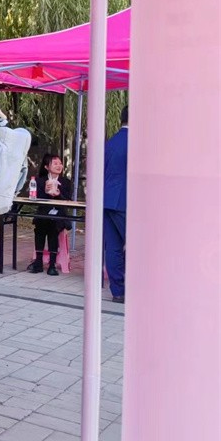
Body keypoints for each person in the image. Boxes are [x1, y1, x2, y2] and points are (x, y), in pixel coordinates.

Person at [26, 153, 73, 276]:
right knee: (40, 226)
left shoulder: (66, 182)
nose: (59, 166)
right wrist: (46, 192)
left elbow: (69, 200)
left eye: (60, 163)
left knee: (53, 226)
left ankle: (52, 264)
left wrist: (58, 194)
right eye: (55, 163)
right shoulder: (39, 181)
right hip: (43, 214)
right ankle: (38, 262)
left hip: (59, 214)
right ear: (47, 167)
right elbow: (34, 198)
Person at [104, 105, 128, 304]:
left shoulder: (110, 142)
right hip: (124, 201)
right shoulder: (136, 142)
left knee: (113, 248)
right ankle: (137, 288)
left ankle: (118, 291)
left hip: (107, 200)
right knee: (137, 245)